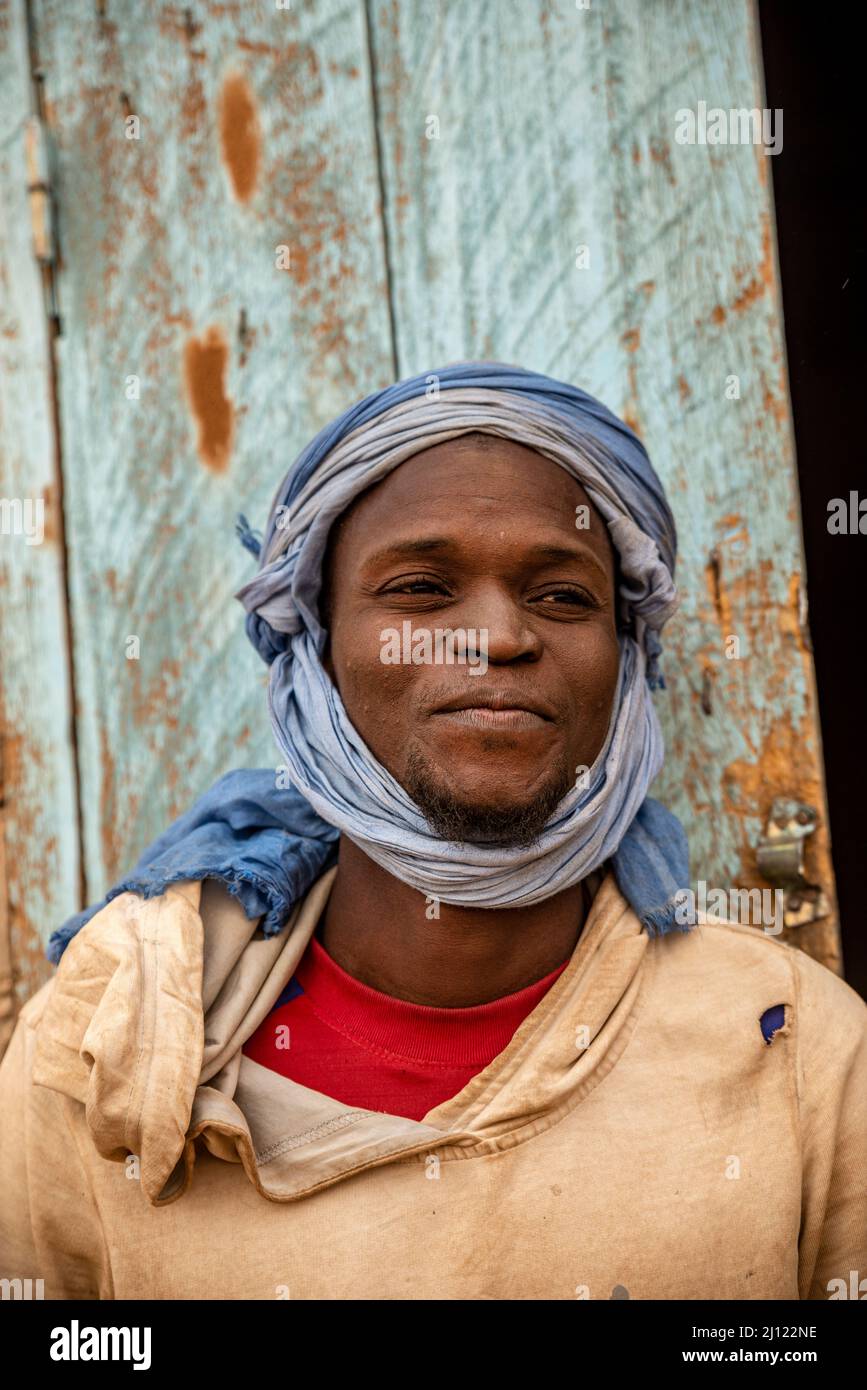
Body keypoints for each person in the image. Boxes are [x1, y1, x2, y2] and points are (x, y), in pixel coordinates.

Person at [0, 362, 864, 1301]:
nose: (495, 636)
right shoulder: (108, 1040)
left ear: (627, 662)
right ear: (313, 653)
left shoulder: (795, 1047)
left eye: (562, 596)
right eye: (419, 590)